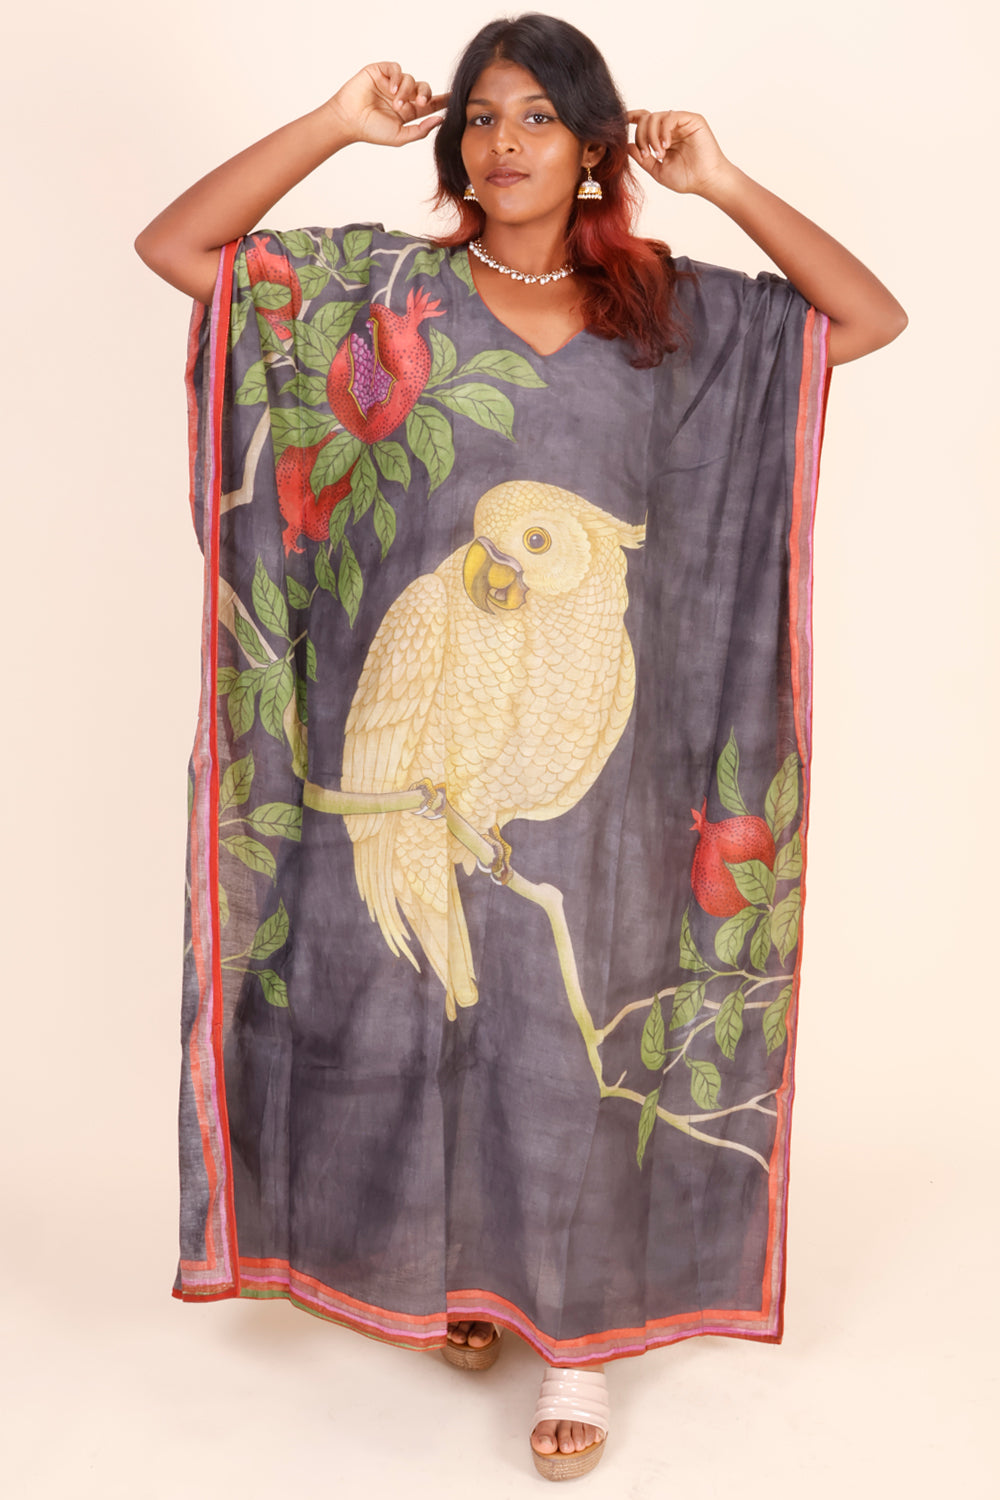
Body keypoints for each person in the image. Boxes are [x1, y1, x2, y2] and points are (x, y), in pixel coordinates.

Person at [136, 12, 905, 1481]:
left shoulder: (671, 312)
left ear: (596, 145)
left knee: (570, 1031)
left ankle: (581, 1347)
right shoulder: (387, 297)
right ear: (453, 147)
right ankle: (472, 1280)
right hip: (422, 764)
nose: (505, 144)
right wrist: (331, 121)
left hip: (620, 775)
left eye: (539, 117)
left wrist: (725, 183)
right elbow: (181, 249)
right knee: (438, 1025)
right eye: (481, 118)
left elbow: (864, 319)